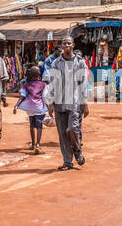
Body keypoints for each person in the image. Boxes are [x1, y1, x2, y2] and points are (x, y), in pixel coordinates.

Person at [45, 36, 89, 171]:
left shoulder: (80, 63)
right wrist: (50, 103)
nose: (66, 45)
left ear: (73, 45)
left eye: (69, 43)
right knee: (62, 134)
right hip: (59, 102)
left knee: (72, 129)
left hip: (75, 101)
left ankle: (77, 149)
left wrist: (85, 102)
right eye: (64, 43)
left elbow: (84, 83)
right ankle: (67, 162)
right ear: (62, 46)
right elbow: (51, 83)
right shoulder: (55, 63)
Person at [14, 66, 48, 154]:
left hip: (29, 107)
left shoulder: (26, 84)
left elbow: (22, 96)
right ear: (39, 74)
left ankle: (33, 144)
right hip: (38, 107)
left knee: (32, 125)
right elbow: (45, 97)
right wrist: (50, 107)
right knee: (39, 125)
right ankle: (38, 144)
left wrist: (16, 106)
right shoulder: (43, 84)